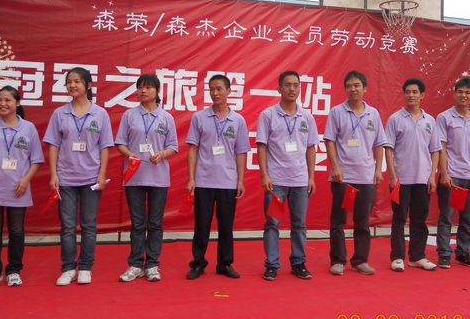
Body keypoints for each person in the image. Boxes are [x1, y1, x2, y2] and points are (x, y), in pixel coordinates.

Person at [44, 67, 114, 285]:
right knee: (67, 226)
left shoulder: (100, 114)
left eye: (77, 81)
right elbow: (54, 145)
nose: (72, 85)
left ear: (88, 85)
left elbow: (104, 146)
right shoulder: (60, 114)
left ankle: (85, 267)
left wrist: (102, 174)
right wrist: (54, 174)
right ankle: (67, 268)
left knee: (89, 225)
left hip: (91, 178)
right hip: (65, 178)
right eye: (69, 82)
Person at [0, 86, 44, 287]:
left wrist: (25, 179)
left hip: (18, 188)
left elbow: (36, 159)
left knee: (17, 231)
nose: (2, 104)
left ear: (17, 103)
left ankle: (14, 270)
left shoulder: (28, 128)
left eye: (8, 100)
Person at [185, 74, 250, 279]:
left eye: (219, 89)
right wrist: (191, 178)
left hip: (228, 181)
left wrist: (240, 180)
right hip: (203, 180)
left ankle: (225, 263)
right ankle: (198, 263)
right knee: (201, 225)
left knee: (226, 226)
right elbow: (193, 149)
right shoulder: (199, 117)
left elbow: (241, 152)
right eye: (212, 89)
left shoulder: (238, 120)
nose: (215, 93)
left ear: (229, 91)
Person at [115, 74, 178, 282]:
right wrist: (128, 154)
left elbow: (173, 146)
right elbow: (120, 142)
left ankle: (152, 265)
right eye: (140, 87)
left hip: (158, 177)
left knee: (155, 223)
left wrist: (162, 154)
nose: (143, 91)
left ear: (157, 91)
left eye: (148, 87)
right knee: (137, 223)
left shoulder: (166, 117)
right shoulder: (129, 115)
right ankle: (135, 264)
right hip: (134, 176)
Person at [324, 71, 386, 276]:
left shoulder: (373, 114)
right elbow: (329, 141)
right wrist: (335, 168)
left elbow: (379, 143)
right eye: (349, 86)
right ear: (345, 89)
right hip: (343, 177)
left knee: (363, 222)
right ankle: (338, 260)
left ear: (365, 89)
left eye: (357, 85)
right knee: (338, 222)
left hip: (366, 177)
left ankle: (360, 260)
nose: (353, 89)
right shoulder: (337, 112)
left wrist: (378, 169)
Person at [258, 71, 318, 281]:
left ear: (300, 88)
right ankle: (272, 264)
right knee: (272, 224)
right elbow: (262, 146)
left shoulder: (306, 117)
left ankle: (298, 262)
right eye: (287, 85)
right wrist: (265, 175)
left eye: (296, 85)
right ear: (279, 88)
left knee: (299, 224)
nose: (292, 89)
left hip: (300, 181)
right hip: (276, 182)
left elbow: (311, 148)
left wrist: (311, 177)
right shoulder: (268, 115)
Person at [385, 78, 441, 272]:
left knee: (420, 219)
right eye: (408, 91)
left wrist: (432, 176)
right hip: (401, 179)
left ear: (422, 95)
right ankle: (397, 257)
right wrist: (393, 176)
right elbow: (389, 149)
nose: (411, 95)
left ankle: (417, 256)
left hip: (423, 179)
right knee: (399, 219)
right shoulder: (395, 119)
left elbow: (435, 150)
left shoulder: (430, 120)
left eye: (415, 92)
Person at [436, 77, 470, 269]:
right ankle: (444, 254)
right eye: (460, 92)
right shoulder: (444, 117)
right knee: (446, 217)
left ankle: (463, 253)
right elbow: (440, 147)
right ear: (454, 93)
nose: (463, 95)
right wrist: (444, 172)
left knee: (467, 219)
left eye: (467, 92)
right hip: (453, 176)